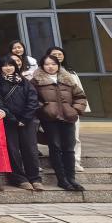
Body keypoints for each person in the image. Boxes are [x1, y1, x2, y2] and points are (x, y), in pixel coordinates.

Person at [32, 55, 87, 192]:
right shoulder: (36, 80)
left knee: (69, 149)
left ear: (58, 65)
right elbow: (32, 98)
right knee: (55, 147)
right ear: (42, 66)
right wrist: (44, 109)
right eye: (47, 64)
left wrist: (75, 110)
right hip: (50, 119)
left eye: (53, 64)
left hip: (68, 118)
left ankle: (71, 179)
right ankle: (62, 180)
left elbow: (80, 97)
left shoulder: (68, 79)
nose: (50, 66)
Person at [0, 55, 43, 192]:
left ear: (15, 66)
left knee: (30, 150)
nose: (8, 68)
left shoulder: (24, 81)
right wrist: (12, 119)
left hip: (27, 121)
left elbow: (33, 100)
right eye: (5, 65)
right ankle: (19, 179)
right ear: (0, 68)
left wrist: (25, 119)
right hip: (9, 121)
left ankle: (35, 178)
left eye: (10, 65)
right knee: (13, 150)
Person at [45, 45, 89, 173]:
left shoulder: (71, 73)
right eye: (54, 54)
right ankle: (58, 163)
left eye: (60, 54)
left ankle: (75, 162)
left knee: (74, 138)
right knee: (55, 139)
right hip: (53, 112)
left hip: (70, 111)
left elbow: (80, 93)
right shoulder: (43, 73)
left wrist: (77, 109)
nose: (58, 56)